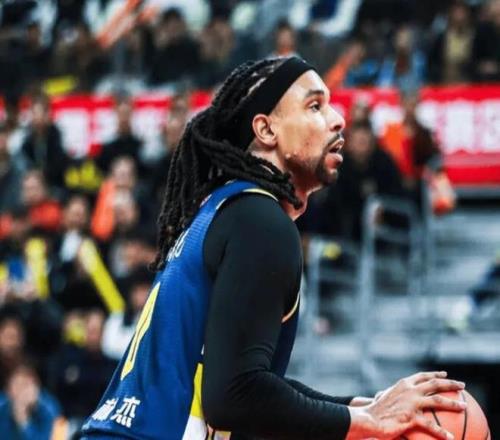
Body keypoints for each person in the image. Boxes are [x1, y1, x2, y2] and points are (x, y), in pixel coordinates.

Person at [81, 57, 465, 440]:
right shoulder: (260, 222)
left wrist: (362, 408)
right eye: (314, 106)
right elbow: (233, 396)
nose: (337, 120)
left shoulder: (227, 210)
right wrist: (365, 422)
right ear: (266, 130)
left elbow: (241, 379)